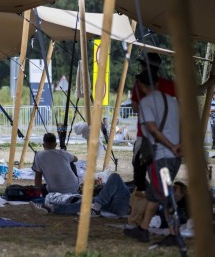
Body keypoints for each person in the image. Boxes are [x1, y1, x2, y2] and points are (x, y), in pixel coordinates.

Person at [124, 70, 182, 246]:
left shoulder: (146, 103)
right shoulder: (172, 101)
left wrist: (170, 145)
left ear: (141, 86)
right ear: (157, 84)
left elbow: (152, 128)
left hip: (161, 157)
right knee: (155, 194)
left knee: (165, 195)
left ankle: (173, 233)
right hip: (172, 156)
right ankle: (143, 229)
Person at [131, 52, 175, 193]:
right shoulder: (168, 85)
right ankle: (166, 199)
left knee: (140, 171)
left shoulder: (140, 84)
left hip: (145, 137)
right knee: (163, 171)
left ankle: (142, 197)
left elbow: (135, 107)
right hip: (164, 137)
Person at [30, 173, 130, 217]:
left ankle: (97, 206)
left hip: (127, 204)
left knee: (115, 176)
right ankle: (51, 208)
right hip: (119, 205)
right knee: (86, 204)